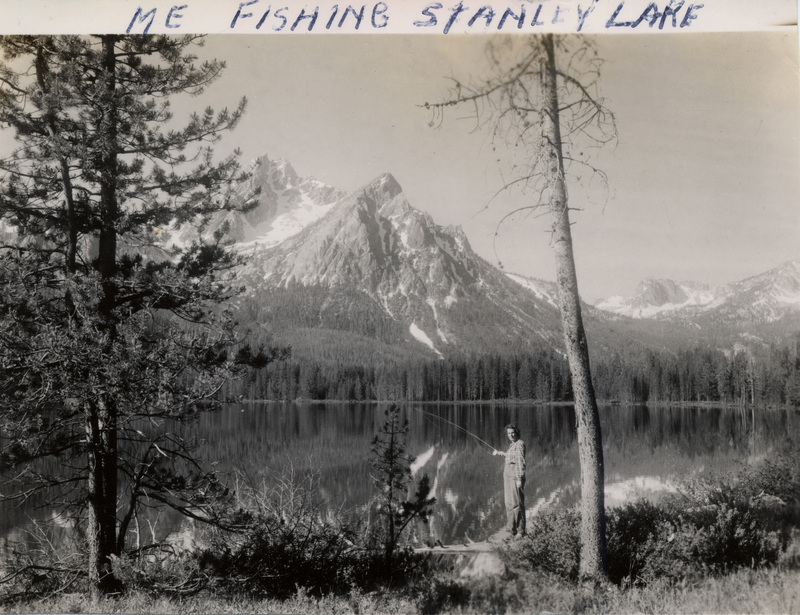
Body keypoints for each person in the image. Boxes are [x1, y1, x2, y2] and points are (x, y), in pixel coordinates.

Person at [493, 424, 526, 538]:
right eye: (508, 433)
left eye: (512, 432)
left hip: (515, 475)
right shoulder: (513, 445)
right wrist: (502, 454)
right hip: (507, 475)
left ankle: (521, 531)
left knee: (517, 504)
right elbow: (512, 457)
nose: (510, 435)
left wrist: (519, 479)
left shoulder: (520, 444)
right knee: (509, 504)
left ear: (517, 432)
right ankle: (512, 530)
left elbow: (520, 462)